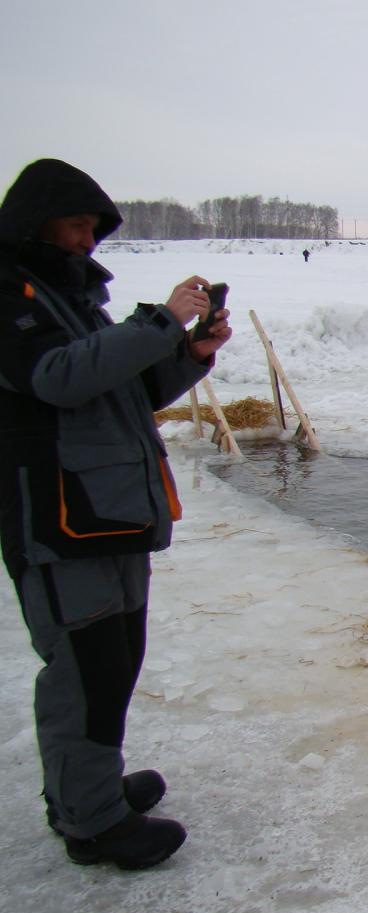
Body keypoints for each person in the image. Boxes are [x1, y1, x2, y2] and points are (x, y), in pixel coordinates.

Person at [0, 159, 232, 869]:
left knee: (115, 660)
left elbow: (121, 390)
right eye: (75, 225)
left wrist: (187, 353)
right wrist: (160, 320)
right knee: (83, 669)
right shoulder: (11, 294)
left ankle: (90, 790)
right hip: (59, 518)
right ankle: (91, 823)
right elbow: (60, 378)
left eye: (92, 229)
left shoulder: (71, 297)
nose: (85, 240)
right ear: (35, 222)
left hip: (110, 511)